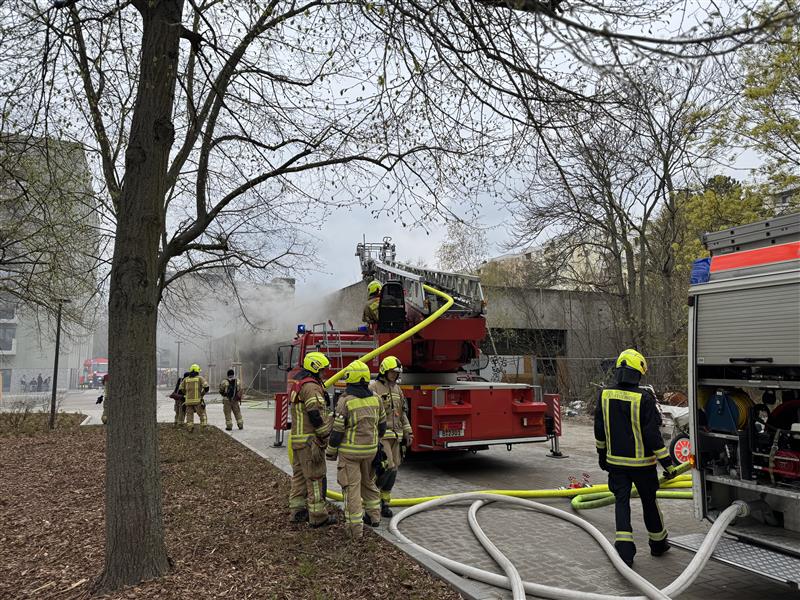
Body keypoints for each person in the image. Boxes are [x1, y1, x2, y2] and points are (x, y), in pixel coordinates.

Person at [594, 349, 678, 567]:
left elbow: (599, 430)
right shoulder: (644, 398)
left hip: (616, 464)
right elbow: (652, 435)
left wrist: (602, 456)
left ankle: (624, 552)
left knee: (621, 504)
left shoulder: (604, 395)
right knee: (649, 502)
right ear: (637, 373)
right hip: (643, 466)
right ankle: (658, 544)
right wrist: (668, 464)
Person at [326, 360, 386, 540]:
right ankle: (375, 518)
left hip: (350, 454)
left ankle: (355, 529)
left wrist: (330, 451)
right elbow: (382, 426)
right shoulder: (375, 398)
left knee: (351, 489)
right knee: (368, 483)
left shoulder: (346, 401)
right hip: (370, 451)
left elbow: (337, 432)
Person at [288, 352, 336, 527]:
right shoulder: (312, 387)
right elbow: (315, 413)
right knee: (315, 477)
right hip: (310, 442)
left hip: (299, 440)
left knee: (299, 477)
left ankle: (297, 511)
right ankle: (318, 516)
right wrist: (324, 434)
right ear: (315, 368)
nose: (324, 374)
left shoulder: (300, 384)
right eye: (322, 370)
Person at [369, 356, 412, 518]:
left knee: (394, 470)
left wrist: (409, 432)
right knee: (387, 466)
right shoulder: (373, 387)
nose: (394, 375)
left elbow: (402, 414)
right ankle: (373, 497)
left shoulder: (397, 390)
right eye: (392, 372)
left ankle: (385, 502)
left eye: (396, 373)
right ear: (384, 371)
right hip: (382, 436)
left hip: (397, 437)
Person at [179, 364, 209, 432]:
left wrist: (186, 394)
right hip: (197, 401)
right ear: (197, 371)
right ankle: (203, 426)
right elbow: (207, 387)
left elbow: (180, 389)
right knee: (202, 413)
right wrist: (202, 394)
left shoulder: (186, 379)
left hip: (188, 401)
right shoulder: (200, 378)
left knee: (189, 416)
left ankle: (190, 427)